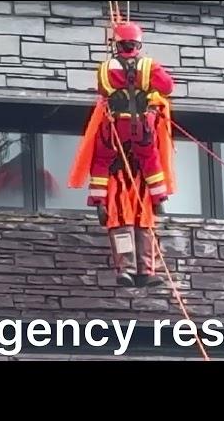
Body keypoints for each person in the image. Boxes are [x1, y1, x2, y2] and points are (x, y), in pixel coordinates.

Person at [68, 21, 176, 288]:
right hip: (141, 129)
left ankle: (125, 269)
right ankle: (146, 268)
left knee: (120, 220)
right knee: (145, 208)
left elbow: (100, 162)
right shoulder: (149, 66)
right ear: (138, 44)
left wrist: (99, 202)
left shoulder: (105, 68)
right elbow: (167, 86)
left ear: (116, 44)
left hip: (115, 127)